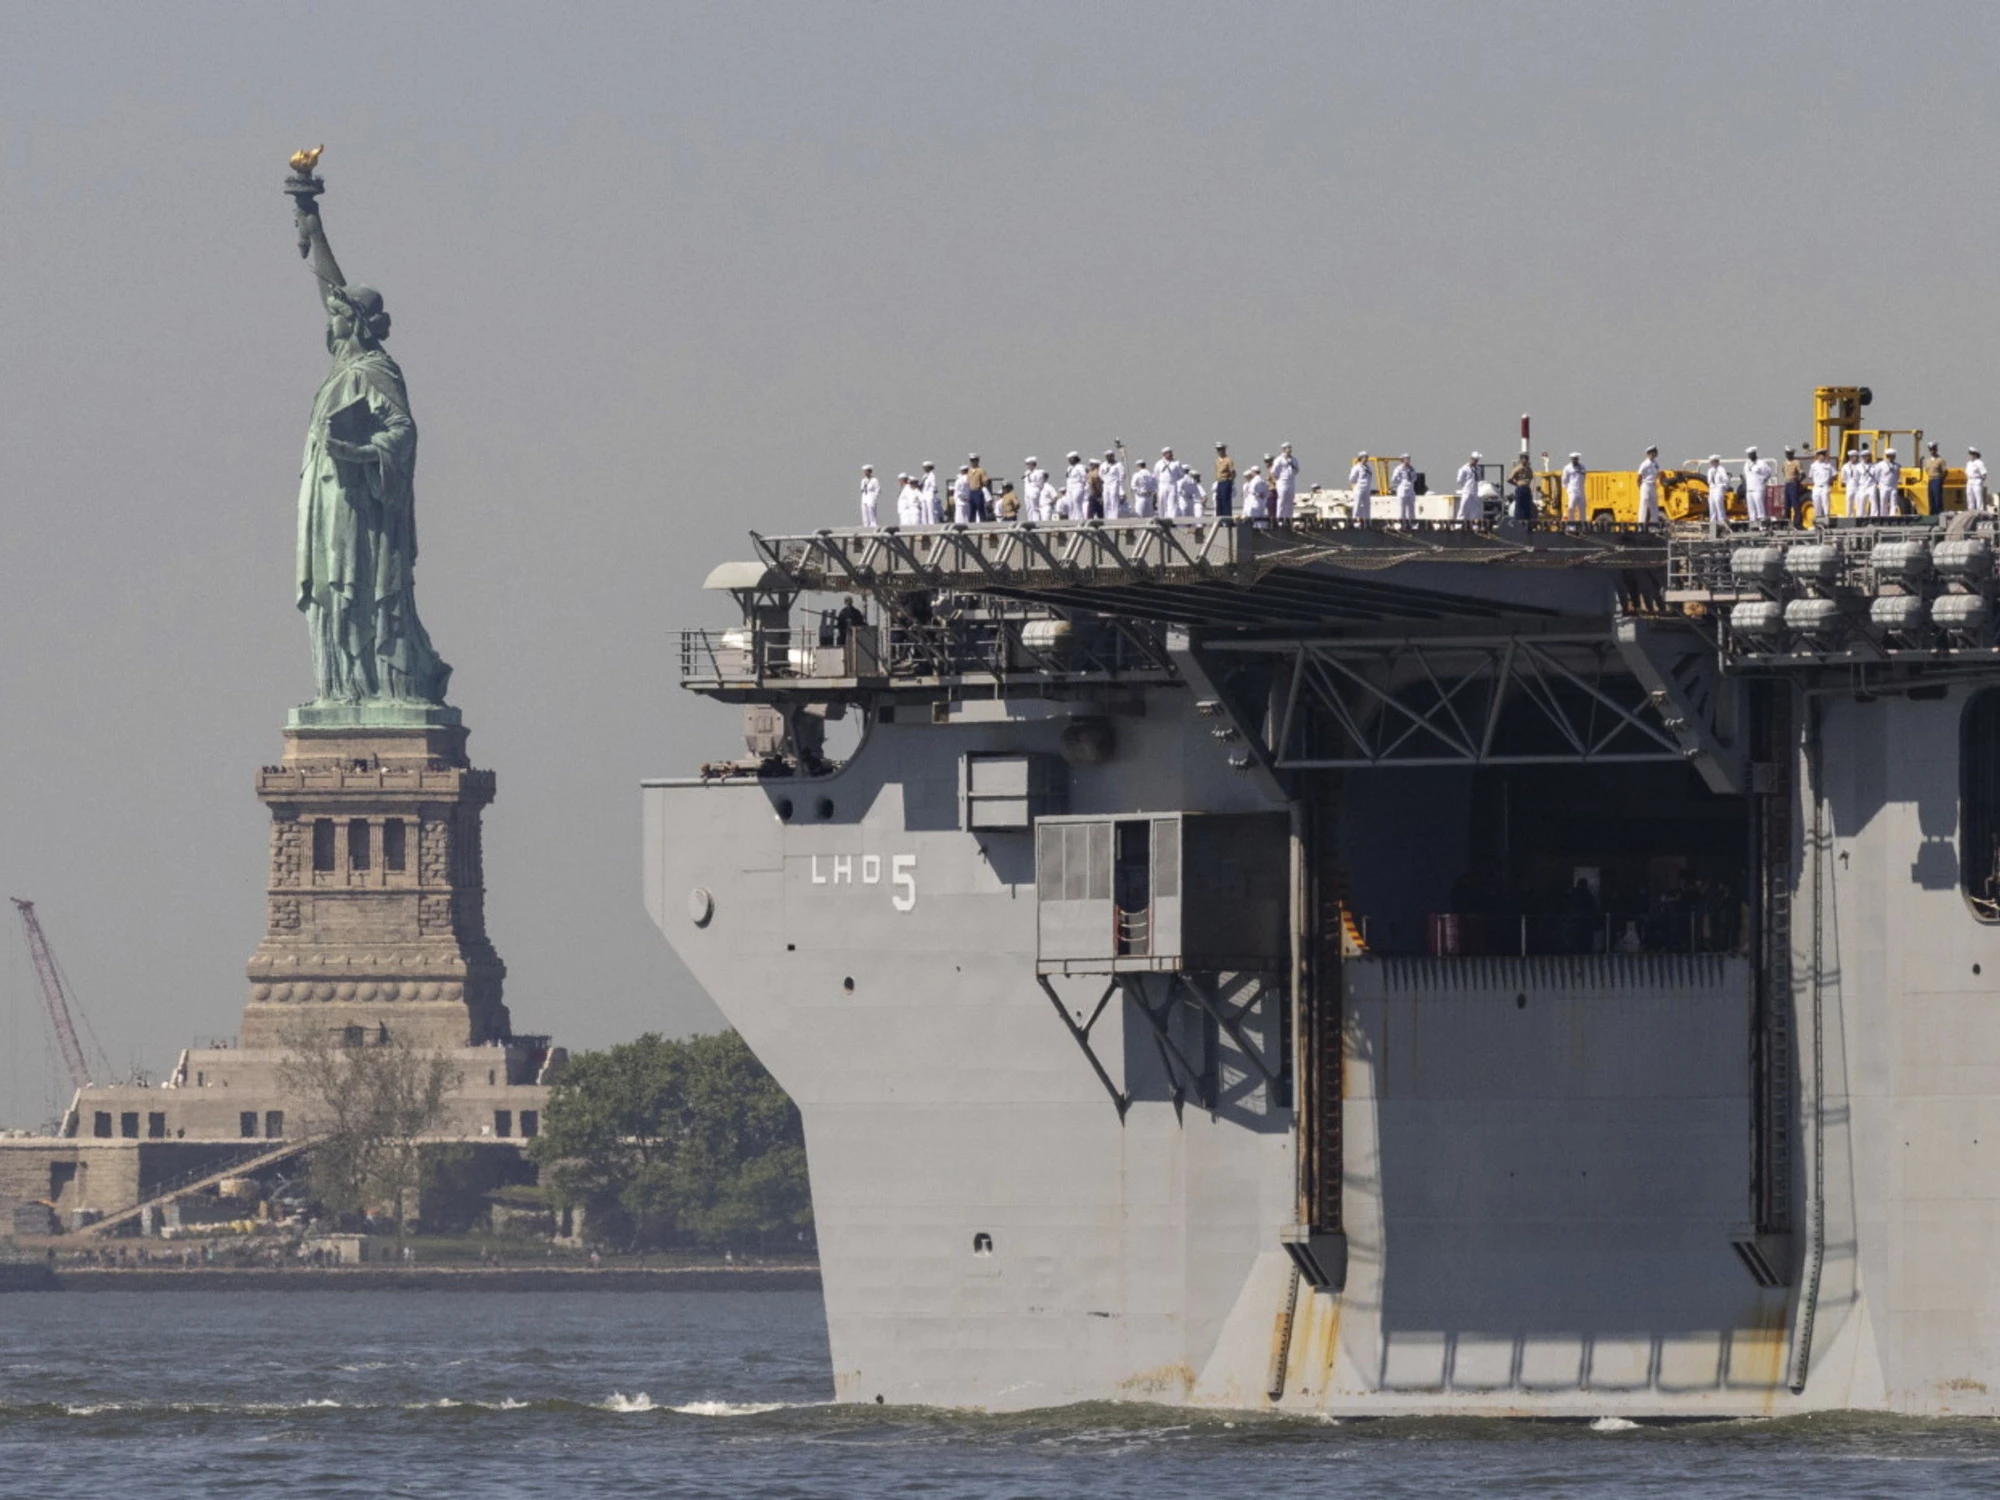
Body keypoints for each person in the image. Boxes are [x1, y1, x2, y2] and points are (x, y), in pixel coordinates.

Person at [1743, 447, 1773, 528]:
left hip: (1758, 488)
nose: (1750, 456)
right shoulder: (1747, 464)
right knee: (1751, 509)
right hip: (1749, 489)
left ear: (1755, 454)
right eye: (1749, 455)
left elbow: (1769, 472)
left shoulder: (1761, 463)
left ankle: (1762, 526)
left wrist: (1763, 480)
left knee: (1759, 507)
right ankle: (1754, 526)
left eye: (1751, 454)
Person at [1272, 443, 1300, 522]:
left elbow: (1297, 470)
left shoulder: (1294, 459)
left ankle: (1288, 519)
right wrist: (1279, 478)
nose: (1290, 450)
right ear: (1284, 449)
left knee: (1290, 501)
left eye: (1290, 448)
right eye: (1288, 448)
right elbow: (1274, 471)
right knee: (1282, 500)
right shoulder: (1279, 459)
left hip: (1291, 482)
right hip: (1282, 482)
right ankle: (1279, 518)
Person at [1637, 446, 1662, 527]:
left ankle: (1655, 523)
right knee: (1644, 503)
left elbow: (1657, 474)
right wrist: (1640, 487)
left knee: (1654, 505)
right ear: (1650, 453)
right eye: (1654, 452)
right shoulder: (1644, 464)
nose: (1656, 453)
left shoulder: (1656, 463)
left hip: (1652, 485)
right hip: (1645, 485)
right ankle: (1641, 524)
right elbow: (1639, 477)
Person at [1808, 448, 1835, 525]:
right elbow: (1811, 476)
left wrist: (1829, 482)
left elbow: (1834, 474)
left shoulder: (1828, 465)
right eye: (1820, 455)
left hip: (1825, 486)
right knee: (1816, 504)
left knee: (1826, 504)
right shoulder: (1813, 466)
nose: (1822, 457)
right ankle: (1818, 522)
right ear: (1817, 456)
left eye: (1823, 455)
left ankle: (1827, 521)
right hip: (1816, 487)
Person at [1390, 453, 1418, 525]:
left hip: (1410, 489)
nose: (1408, 460)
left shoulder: (1412, 468)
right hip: (1402, 489)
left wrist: (1410, 482)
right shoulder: (1399, 469)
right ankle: (1402, 523)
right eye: (1406, 459)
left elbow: (1415, 477)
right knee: (1402, 507)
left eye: (1409, 459)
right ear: (1402, 460)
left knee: (1411, 506)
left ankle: (1412, 523)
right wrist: (1401, 482)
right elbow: (1393, 479)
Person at [1456, 451, 1483, 524]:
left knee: (1475, 509)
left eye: (1477, 460)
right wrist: (1465, 486)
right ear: (1471, 459)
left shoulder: (1478, 469)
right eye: (1475, 460)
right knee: (1463, 507)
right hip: (1467, 491)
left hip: (1475, 491)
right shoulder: (1464, 468)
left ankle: (1474, 525)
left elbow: (1479, 479)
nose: (1476, 461)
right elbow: (1459, 480)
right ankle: (1459, 524)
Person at [1704, 455, 1730, 532]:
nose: (1712, 463)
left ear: (1717, 461)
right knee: (1712, 505)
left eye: (1713, 461)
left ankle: (1721, 521)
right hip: (1712, 489)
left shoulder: (1721, 469)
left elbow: (1726, 479)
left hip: (1718, 488)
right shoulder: (1710, 471)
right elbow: (1709, 481)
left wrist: (1723, 487)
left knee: (1719, 504)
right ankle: (1712, 523)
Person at [1348, 451, 1374, 524]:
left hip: (1367, 488)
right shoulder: (1356, 467)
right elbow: (1352, 479)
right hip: (1359, 488)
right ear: (1360, 458)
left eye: (1367, 457)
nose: (1366, 459)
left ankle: (1367, 519)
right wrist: (1358, 484)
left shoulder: (1368, 468)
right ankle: (1355, 519)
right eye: (1364, 457)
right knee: (1357, 504)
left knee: (1367, 505)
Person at [1507, 452, 1534, 522]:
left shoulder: (1528, 469)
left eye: (1527, 458)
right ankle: (1519, 522)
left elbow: (1531, 477)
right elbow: (1509, 478)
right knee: (1520, 506)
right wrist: (1517, 483)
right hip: (1520, 488)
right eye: (1524, 458)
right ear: (1521, 459)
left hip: (1527, 488)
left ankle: (1527, 521)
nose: (1526, 460)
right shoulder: (1518, 468)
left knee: (1527, 506)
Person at [1875, 448, 1901, 518]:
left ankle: (1893, 516)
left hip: (1893, 486)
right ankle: (1883, 516)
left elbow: (1898, 475)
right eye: (1890, 456)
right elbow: (1877, 475)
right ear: (1887, 456)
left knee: (1894, 502)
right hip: (1884, 486)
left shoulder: (1897, 465)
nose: (1892, 457)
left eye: (1893, 456)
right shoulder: (1880, 465)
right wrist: (1879, 483)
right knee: (1883, 501)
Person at [1562, 452, 1587, 524]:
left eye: (1576, 459)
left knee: (1582, 508)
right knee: (1571, 507)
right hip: (1572, 490)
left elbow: (1583, 477)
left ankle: (1583, 525)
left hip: (1581, 490)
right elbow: (1564, 480)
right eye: (1573, 459)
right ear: (1571, 459)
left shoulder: (1582, 467)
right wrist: (1568, 489)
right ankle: (1571, 525)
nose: (1575, 461)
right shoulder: (1567, 468)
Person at [1924, 441, 1948, 516]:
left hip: (1937, 479)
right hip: (1930, 480)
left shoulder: (1940, 460)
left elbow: (1945, 471)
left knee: (1937, 499)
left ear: (1936, 450)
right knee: (1931, 499)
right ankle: (1932, 514)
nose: (1932, 451)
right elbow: (1927, 470)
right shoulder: (1927, 461)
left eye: (1934, 449)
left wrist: (1941, 480)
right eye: (1931, 449)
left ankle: (1939, 514)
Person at [1213, 443, 1236, 519]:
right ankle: (1219, 518)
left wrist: (1230, 481)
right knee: (1219, 501)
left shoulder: (1228, 460)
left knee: (1225, 501)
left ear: (1224, 450)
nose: (1219, 451)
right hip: (1219, 482)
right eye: (1218, 450)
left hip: (1225, 482)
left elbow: (1232, 472)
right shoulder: (1217, 461)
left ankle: (1227, 519)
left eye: (1221, 449)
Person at [1781, 447, 1803, 527]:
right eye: (1786, 453)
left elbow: (1802, 474)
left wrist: (1797, 482)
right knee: (1787, 504)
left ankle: (1797, 522)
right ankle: (1787, 522)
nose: (1787, 455)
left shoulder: (1796, 462)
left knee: (1795, 504)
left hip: (1793, 484)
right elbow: (1783, 472)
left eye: (1789, 453)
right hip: (1787, 484)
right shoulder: (1785, 463)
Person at [1063, 451, 1087, 521]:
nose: (1070, 461)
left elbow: (1084, 477)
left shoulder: (1080, 467)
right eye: (1069, 459)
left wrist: (1082, 486)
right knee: (1070, 504)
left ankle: (1080, 519)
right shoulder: (1069, 468)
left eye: (1071, 459)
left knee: (1076, 502)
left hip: (1077, 486)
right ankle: (1072, 520)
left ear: (1075, 459)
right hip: (1070, 488)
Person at [1102, 450, 1126, 519]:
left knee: (1113, 501)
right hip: (1106, 485)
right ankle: (1107, 517)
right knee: (1106, 502)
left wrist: (1119, 484)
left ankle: (1114, 517)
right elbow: (1101, 475)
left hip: (1114, 484)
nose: (1108, 458)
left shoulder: (1118, 464)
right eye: (1107, 456)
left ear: (1113, 456)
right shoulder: (1103, 465)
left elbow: (1122, 475)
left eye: (1110, 456)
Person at [965, 454, 989, 523]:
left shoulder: (981, 470)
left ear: (977, 461)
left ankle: (983, 522)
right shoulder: (969, 471)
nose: (972, 462)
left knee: (980, 509)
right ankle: (971, 523)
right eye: (971, 461)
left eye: (974, 461)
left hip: (978, 491)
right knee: (972, 510)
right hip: (971, 491)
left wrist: (981, 485)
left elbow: (985, 481)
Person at [1021, 457, 1046, 522]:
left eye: (1028, 464)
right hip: (1027, 491)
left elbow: (1040, 483)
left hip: (1034, 490)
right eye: (1026, 464)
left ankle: (1036, 521)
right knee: (1028, 508)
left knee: (1035, 507)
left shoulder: (1038, 473)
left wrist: (1037, 490)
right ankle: (1030, 521)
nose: (1027, 466)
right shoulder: (1026, 473)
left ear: (1033, 464)